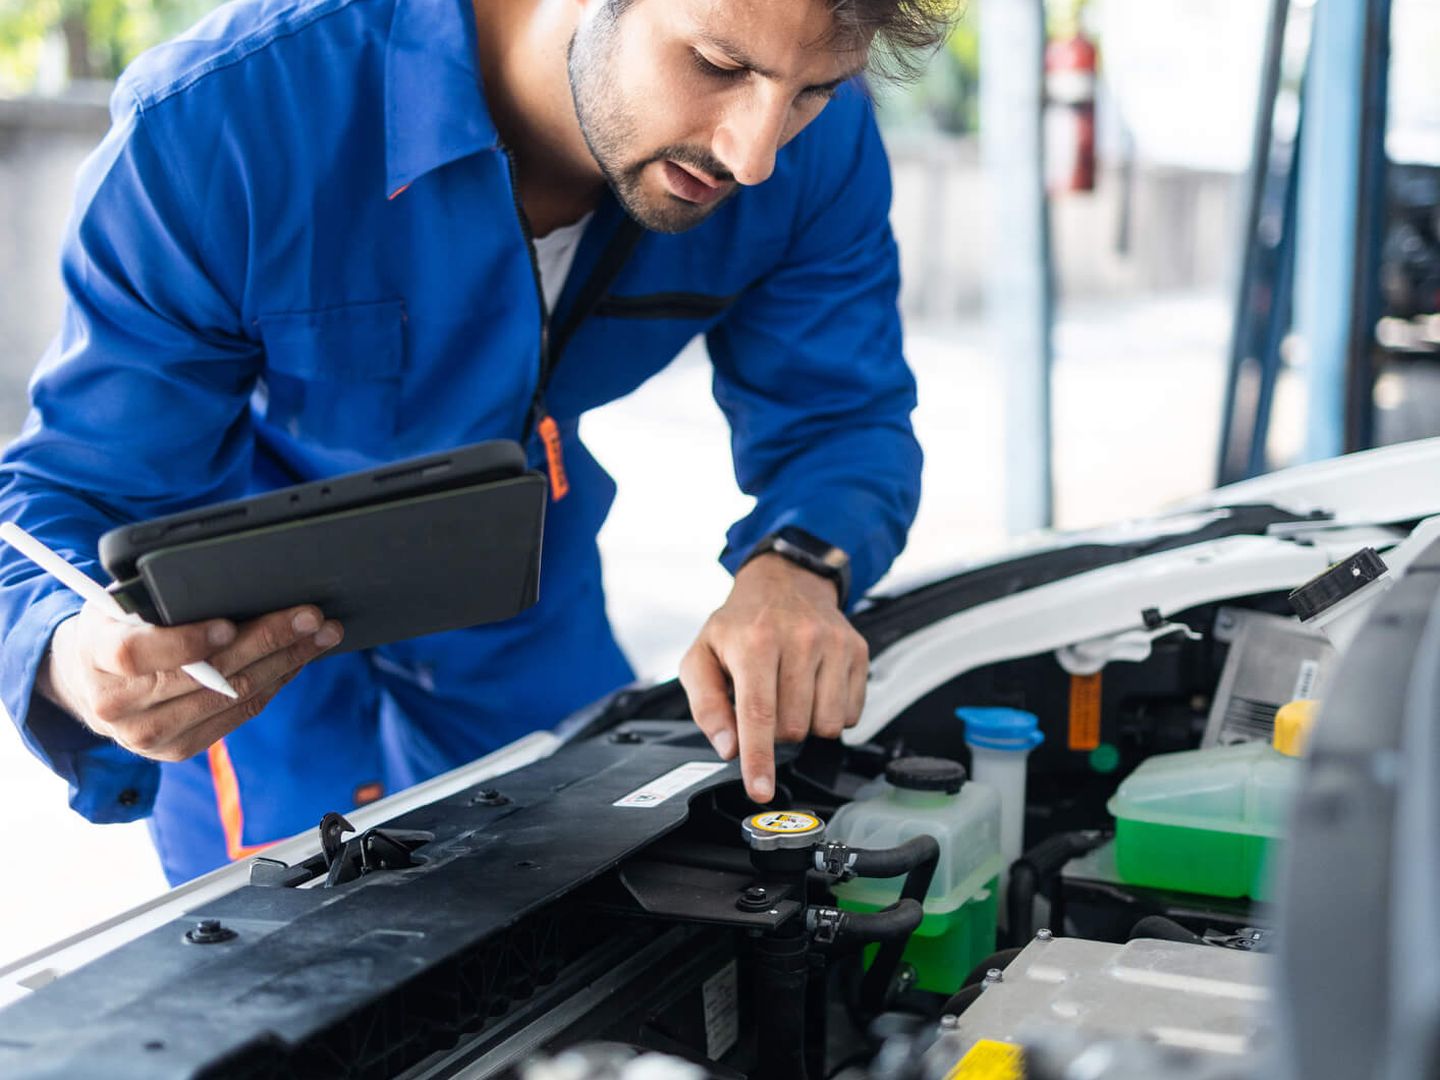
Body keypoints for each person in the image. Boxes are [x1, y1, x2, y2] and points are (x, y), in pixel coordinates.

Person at [0, 0, 944, 884]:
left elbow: (842, 419)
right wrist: (73, 657)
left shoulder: (811, 153)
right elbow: (67, 496)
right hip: (246, 670)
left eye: (814, 90)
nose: (755, 156)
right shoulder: (226, 126)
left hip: (527, 624)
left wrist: (801, 562)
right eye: (716, 63)